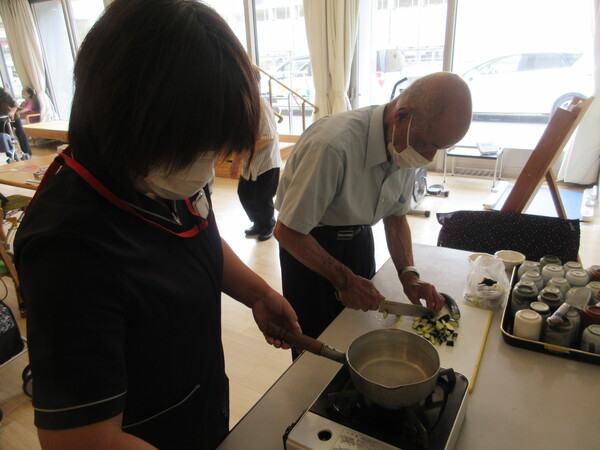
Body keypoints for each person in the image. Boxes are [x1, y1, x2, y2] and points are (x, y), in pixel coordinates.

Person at [14, 1, 300, 448]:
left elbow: (195, 237)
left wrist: (258, 293)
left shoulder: (162, 170)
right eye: (196, 148)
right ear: (125, 116)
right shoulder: (66, 247)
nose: (206, 167)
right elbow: (82, 441)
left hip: (201, 404)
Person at [274, 72, 472, 356]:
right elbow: (288, 231)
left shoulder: (406, 143)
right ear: (402, 116)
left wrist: (409, 275)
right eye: (431, 145)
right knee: (314, 347)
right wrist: (344, 280)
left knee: (357, 334)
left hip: (359, 241)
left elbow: (395, 217)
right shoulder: (332, 145)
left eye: (440, 148)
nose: (430, 157)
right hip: (308, 245)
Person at [230, 93, 281, 242]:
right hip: (250, 161)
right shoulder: (241, 104)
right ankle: (258, 223)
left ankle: (268, 225)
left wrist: (238, 159)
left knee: (262, 198)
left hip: (266, 161)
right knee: (244, 194)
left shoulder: (261, 104)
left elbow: (268, 136)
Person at [0, 87, 32, 159]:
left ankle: (27, 152)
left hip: (14, 116)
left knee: (20, 133)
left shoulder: (3, 92)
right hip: (2, 118)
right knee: (5, 136)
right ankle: (11, 156)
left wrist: (11, 112)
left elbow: (15, 105)